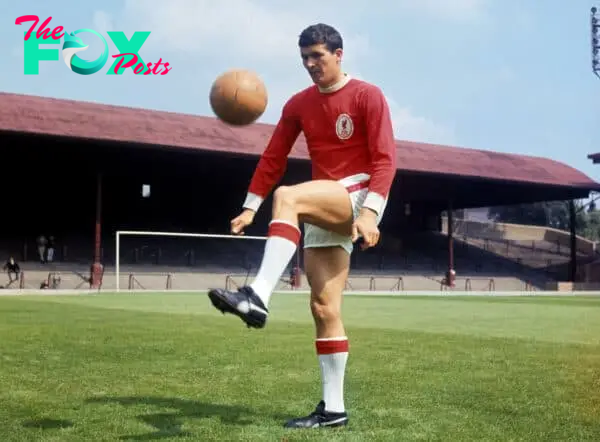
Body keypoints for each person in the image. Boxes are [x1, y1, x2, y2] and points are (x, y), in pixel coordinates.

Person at [208, 23, 397, 429]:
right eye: (305, 59)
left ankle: (257, 294)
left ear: (339, 54)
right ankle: (333, 411)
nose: (311, 65)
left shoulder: (368, 95)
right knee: (324, 307)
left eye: (318, 56)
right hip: (323, 203)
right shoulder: (298, 104)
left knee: (288, 196)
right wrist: (248, 207)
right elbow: (273, 156)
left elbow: (385, 159)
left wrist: (370, 213)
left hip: (357, 194)